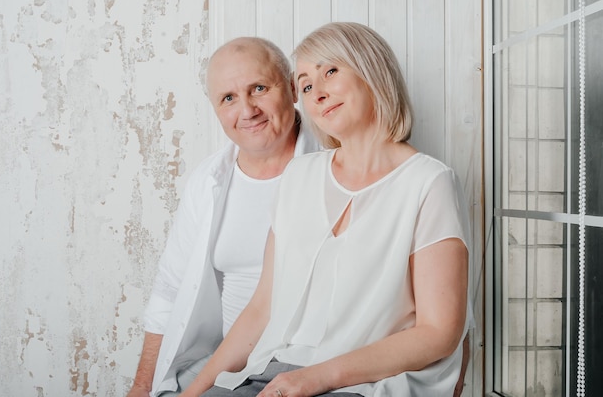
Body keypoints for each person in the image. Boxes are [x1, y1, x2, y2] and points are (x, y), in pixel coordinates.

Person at [180, 21, 470, 397]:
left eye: (330, 71)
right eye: (305, 84)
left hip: (368, 382)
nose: (316, 93)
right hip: (277, 370)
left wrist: (316, 378)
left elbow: (439, 333)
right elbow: (260, 310)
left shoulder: (428, 183)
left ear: (371, 70)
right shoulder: (299, 175)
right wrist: (194, 393)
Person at [127, 37, 320, 397]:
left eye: (259, 88)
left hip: (307, 370)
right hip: (223, 366)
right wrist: (141, 387)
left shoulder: (336, 165)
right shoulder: (209, 180)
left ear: (293, 88)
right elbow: (169, 289)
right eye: (228, 98)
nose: (247, 111)